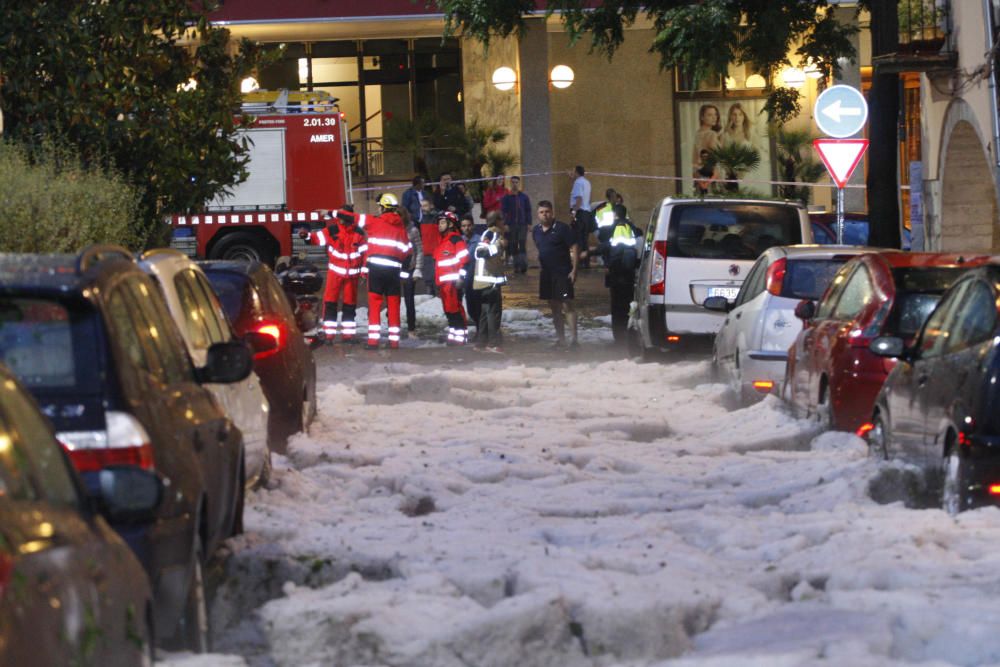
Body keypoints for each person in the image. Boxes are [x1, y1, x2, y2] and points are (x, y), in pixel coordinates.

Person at [332, 193, 412, 349]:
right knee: (393, 305)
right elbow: (407, 252)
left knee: (374, 305)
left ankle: (373, 341)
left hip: (376, 270)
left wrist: (329, 212)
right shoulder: (401, 228)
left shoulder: (373, 222)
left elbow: (351, 217)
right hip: (393, 272)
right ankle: (394, 341)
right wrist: (402, 273)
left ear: (382, 207)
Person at [299, 209, 367, 343]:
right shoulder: (332, 230)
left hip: (351, 275)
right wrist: (305, 236)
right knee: (330, 303)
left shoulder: (358, 233)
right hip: (336, 273)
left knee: (349, 305)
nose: (342, 219)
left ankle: (348, 335)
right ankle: (329, 335)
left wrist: (364, 270)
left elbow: (365, 253)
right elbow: (315, 238)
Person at [531, 200, 579, 349]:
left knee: (567, 305)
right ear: (538, 215)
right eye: (541, 212)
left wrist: (574, 270)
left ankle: (574, 340)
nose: (545, 215)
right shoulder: (536, 231)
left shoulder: (562, 228)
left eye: (547, 212)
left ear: (552, 212)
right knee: (554, 307)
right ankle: (561, 339)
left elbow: (575, 246)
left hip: (562, 273)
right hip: (547, 274)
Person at [597, 204, 643, 344]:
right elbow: (640, 250)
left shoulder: (607, 231)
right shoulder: (635, 230)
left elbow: (603, 249)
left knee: (616, 305)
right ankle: (630, 332)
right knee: (629, 304)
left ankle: (618, 336)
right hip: (629, 273)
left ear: (614, 215)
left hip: (614, 273)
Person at [473, 211, 508, 352]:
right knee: (493, 312)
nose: (504, 223)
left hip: (485, 280)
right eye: (502, 220)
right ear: (497, 221)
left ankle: (481, 342)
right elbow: (480, 252)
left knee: (485, 312)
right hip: (490, 280)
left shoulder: (488, 233)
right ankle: (493, 343)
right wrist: (500, 246)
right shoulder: (492, 234)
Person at [433, 212, 470, 345]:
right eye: (439, 222)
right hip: (444, 284)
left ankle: (459, 338)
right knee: (449, 311)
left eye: (442, 222)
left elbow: (465, 261)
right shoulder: (442, 241)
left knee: (455, 311)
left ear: (450, 224)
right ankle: (454, 334)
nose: (439, 225)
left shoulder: (456, 240)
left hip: (453, 283)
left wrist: (461, 278)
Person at [400, 207, 424, 338]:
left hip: (409, 269)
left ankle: (411, 328)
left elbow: (419, 250)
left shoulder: (413, 231)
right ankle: (394, 326)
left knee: (409, 300)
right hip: (395, 269)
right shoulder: (393, 229)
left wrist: (418, 269)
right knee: (393, 299)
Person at [500, 175, 531, 273]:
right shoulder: (506, 198)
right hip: (511, 224)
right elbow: (503, 212)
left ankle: (523, 265)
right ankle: (516, 266)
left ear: (519, 183)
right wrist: (505, 224)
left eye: (516, 182)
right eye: (513, 182)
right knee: (513, 245)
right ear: (510, 183)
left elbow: (528, 210)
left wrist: (529, 223)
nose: (514, 184)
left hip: (522, 224)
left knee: (522, 244)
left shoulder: (524, 197)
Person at [460, 213, 482, 340]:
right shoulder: (460, 241)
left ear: (473, 226)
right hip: (465, 279)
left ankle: (481, 331)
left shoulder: (478, 240)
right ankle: (480, 330)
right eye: (464, 226)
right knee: (470, 308)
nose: (466, 228)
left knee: (477, 307)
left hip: (476, 278)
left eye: (468, 225)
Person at [569, 166, 594, 269]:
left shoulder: (578, 183)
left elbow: (578, 198)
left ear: (577, 172)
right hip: (587, 213)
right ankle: (585, 261)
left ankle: (579, 262)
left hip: (580, 212)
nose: (572, 173)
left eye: (573, 172)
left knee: (578, 238)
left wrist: (574, 211)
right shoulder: (587, 182)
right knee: (584, 238)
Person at [692, 104, 722, 181]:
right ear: (702, 117)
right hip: (712, 175)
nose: (714, 117)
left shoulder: (697, 134)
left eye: (715, 114)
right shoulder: (711, 134)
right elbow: (721, 156)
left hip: (698, 175)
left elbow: (694, 159)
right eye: (709, 115)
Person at [418, 197, 440, 296]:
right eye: (422, 206)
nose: (423, 208)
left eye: (425, 206)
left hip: (437, 251)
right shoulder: (422, 220)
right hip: (426, 252)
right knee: (428, 278)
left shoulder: (438, 218)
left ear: (431, 206)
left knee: (437, 277)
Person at [592, 188, 619, 252]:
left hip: (602, 234)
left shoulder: (601, 207)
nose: (616, 199)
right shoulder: (618, 208)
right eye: (615, 197)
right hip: (611, 234)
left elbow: (595, 220)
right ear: (612, 197)